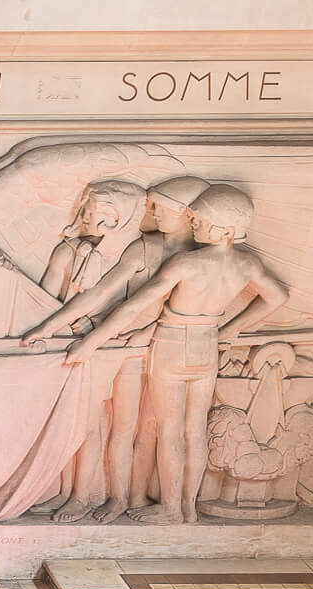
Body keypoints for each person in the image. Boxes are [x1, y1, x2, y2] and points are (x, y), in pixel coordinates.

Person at [62, 184, 288, 524]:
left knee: (170, 430)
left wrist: (89, 343)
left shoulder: (186, 263)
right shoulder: (247, 264)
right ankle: (188, 508)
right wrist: (230, 329)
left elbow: (131, 307)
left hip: (171, 344)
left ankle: (170, 509)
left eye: (201, 219)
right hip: (206, 343)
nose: (193, 222)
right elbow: (277, 297)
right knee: (193, 429)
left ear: (226, 229)